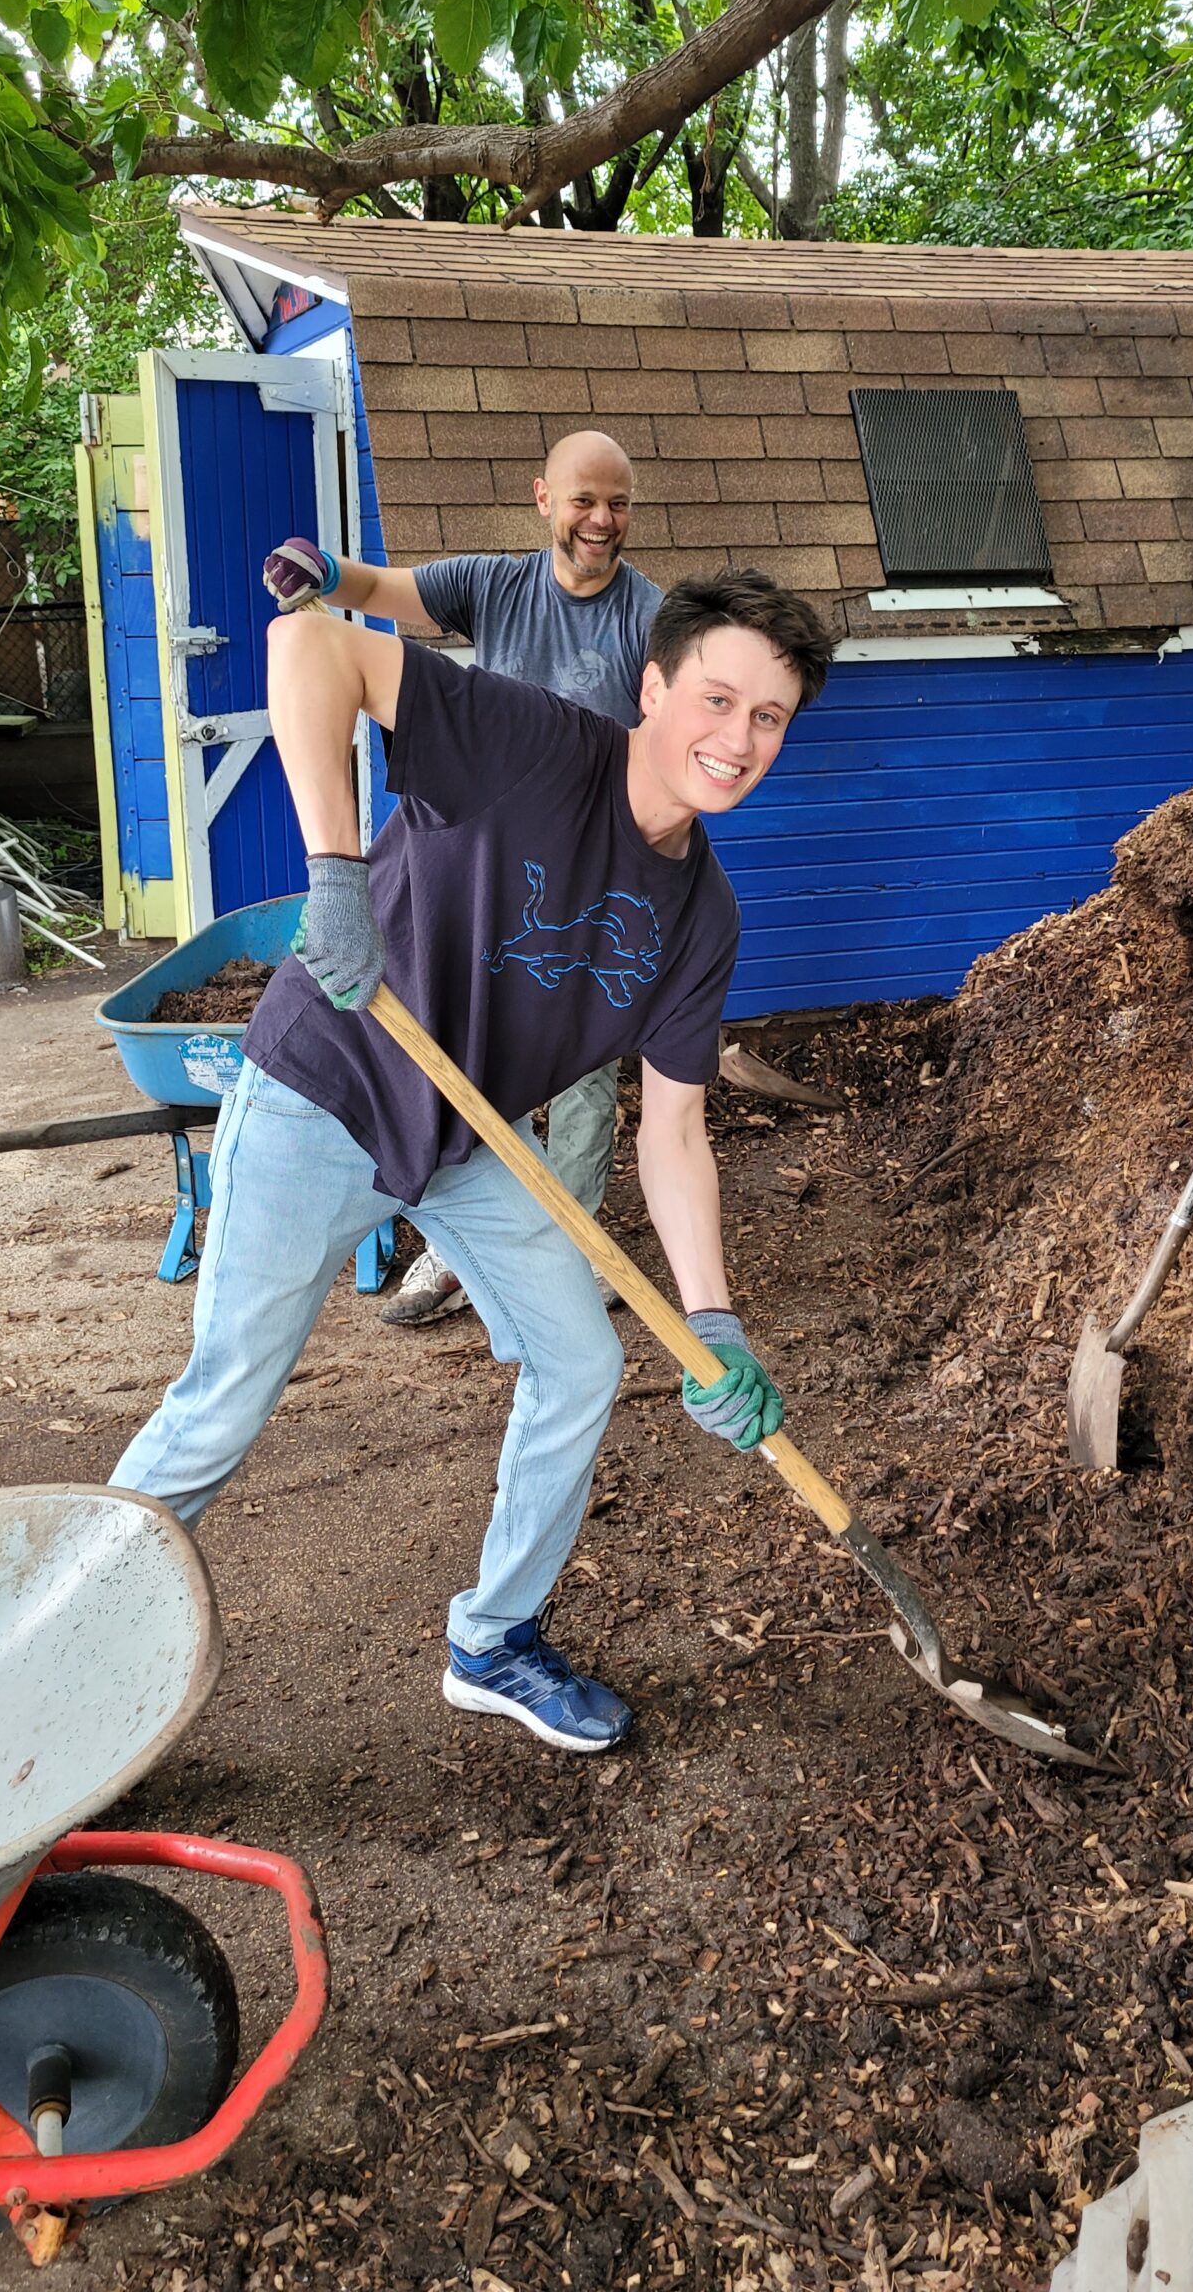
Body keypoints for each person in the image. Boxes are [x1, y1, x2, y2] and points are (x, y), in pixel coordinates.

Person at [109, 570, 837, 1754]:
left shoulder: (704, 918)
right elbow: (311, 645)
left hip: (465, 1135)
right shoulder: (534, 743)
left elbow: (673, 1130)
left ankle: (493, 1640)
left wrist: (713, 1320)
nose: (737, 738)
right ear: (653, 688)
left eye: (769, 718)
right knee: (222, 1410)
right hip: (327, 1091)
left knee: (582, 1361)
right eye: (717, 698)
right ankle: (75, 1639)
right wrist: (337, 872)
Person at [279, 429, 658, 1326]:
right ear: (543, 499)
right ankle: (455, 1250)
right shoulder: (492, 585)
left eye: (619, 503)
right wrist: (321, 570)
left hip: (587, 881)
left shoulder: (651, 618)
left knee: (583, 1076)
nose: (602, 520)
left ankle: (569, 1253)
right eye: (583, 500)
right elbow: (380, 592)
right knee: (464, 1058)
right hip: (479, 873)